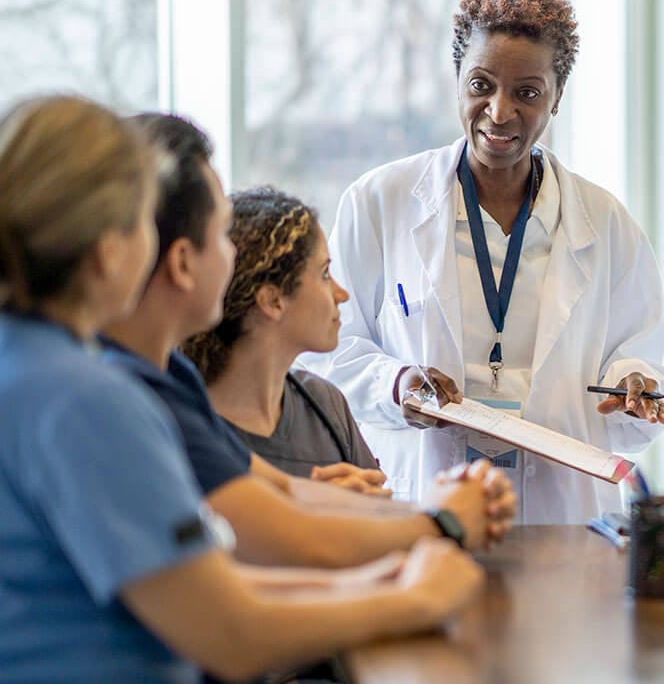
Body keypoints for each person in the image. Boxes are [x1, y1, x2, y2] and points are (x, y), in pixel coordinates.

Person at [0, 94, 481, 682]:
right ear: (107, 252)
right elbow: (231, 634)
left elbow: (199, 581)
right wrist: (418, 596)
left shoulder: (31, 364)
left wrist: (372, 581)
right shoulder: (85, 399)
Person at [303, 0, 664, 523]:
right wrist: (396, 385)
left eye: (527, 93)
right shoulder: (378, 202)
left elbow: (637, 359)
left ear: (556, 100)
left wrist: (636, 386)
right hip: (423, 498)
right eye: (481, 84)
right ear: (457, 81)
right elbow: (324, 351)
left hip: (563, 515)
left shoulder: (607, 225)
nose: (499, 111)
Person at [103, 112, 514, 568]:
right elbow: (253, 581)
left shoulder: (172, 382)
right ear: (181, 261)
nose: (231, 257)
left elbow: (282, 497)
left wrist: (362, 506)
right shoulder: (120, 400)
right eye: (220, 235)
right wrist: (444, 522)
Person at [183, 186, 385, 493]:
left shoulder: (324, 403)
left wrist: (365, 507)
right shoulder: (188, 425)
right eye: (325, 273)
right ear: (272, 301)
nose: (342, 295)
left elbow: (385, 521)